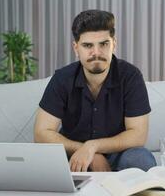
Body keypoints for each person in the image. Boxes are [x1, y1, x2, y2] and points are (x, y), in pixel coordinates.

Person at [34, 9, 156, 172]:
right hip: (74, 153)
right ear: (76, 48)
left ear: (114, 44)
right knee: (41, 163)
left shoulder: (130, 76)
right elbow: (41, 133)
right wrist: (84, 150)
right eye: (87, 45)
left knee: (140, 159)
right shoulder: (62, 79)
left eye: (104, 44)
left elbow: (138, 135)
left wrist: (93, 147)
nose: (96, 53)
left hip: (117, 154)